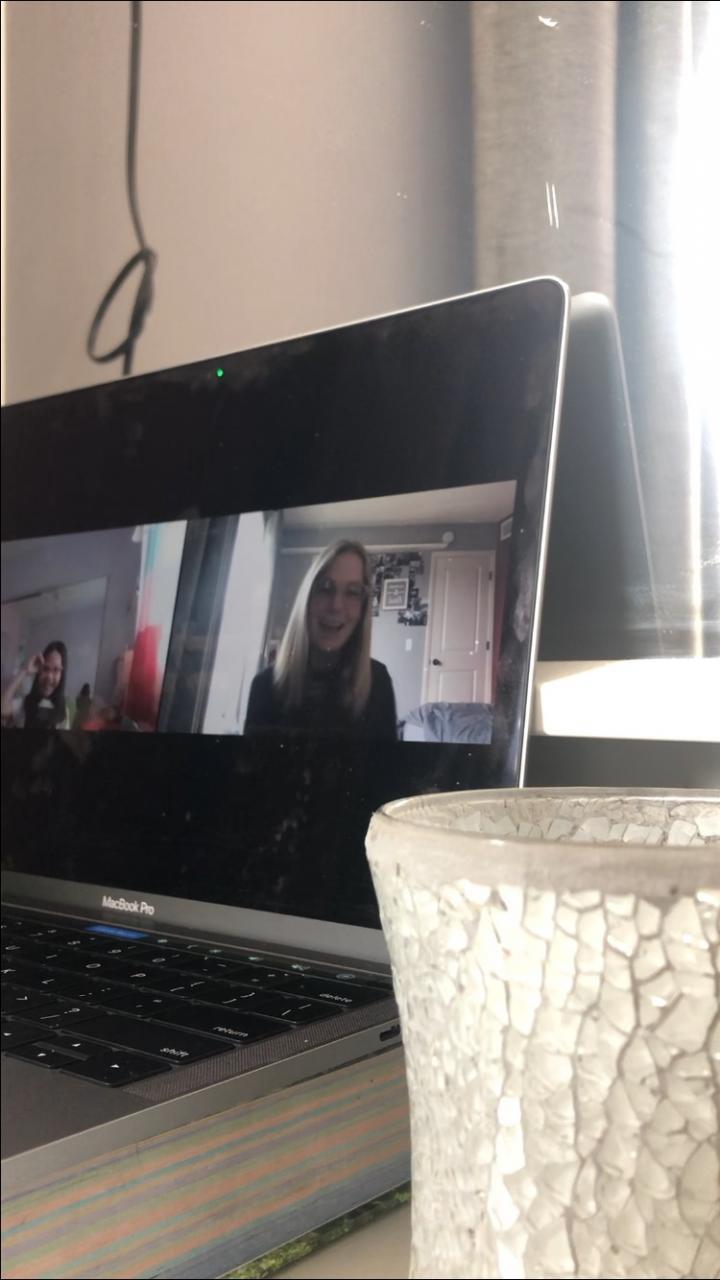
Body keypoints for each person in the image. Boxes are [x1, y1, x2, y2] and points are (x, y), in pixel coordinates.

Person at [245, 540, 397, 740]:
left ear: (363, 609)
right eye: (325, 588)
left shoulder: (378, 682)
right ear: (307, 599)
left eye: (352, 592)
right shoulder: (265, 686)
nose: (336, 605)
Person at [0, 641, 69, 729]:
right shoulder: (25, 704)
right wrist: (25, 670)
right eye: (46, 668)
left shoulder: (63, 712)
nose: (49, 677)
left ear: (62, 674)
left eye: (56, 670)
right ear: (39, 671)